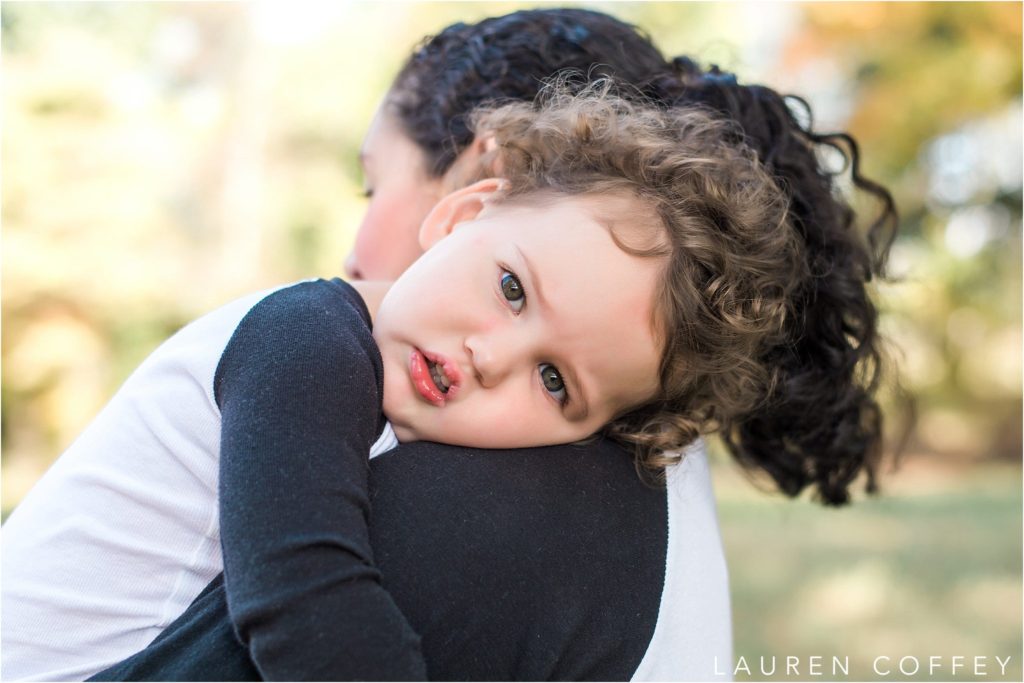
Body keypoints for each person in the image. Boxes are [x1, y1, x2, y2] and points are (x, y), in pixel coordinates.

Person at [2, 9, 897, 683]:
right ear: (465, 207)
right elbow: (302, 601)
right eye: (510, 288)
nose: (490, 357)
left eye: (555, 382)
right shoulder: (302, 333)